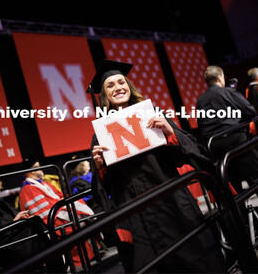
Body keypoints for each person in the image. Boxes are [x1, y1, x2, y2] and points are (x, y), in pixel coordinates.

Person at [88, 59, 226, 273]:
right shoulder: (101, 134)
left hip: (171, 201)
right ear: (105, 95)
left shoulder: (152, 114)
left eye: (121, 82)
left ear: (129, 86)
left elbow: (187, 152)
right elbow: (103, 187)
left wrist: (170, 134)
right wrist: (100, 167)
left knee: (196, 259)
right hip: (135, 214)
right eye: (111, 85)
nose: (118, 88)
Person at [197, 66, 258, 234]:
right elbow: (250, 111)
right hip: (235, 140)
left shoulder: (201, 100)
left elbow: (202, 125)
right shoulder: (227, 92)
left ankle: (244, 232)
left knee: (233, 190)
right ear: (220, 78)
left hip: (214, 147)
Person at [0, 180, 64, 272]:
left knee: (35, 221)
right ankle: (48, 262)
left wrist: (20, 216)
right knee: (31, 229)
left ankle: (51, 260)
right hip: (4, 240)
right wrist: (14, 220)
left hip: (12, 231)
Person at [19, 168, 97, 267]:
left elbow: (61, 196)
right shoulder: (27, 189)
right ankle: (82, 259)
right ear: (32, 171)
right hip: (50, 221)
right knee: (73, 224)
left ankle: (92, 254)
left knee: (82, 217)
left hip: (59, 211)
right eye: (38, 166)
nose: (41, 168)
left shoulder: (44, 183)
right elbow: (41, 212)